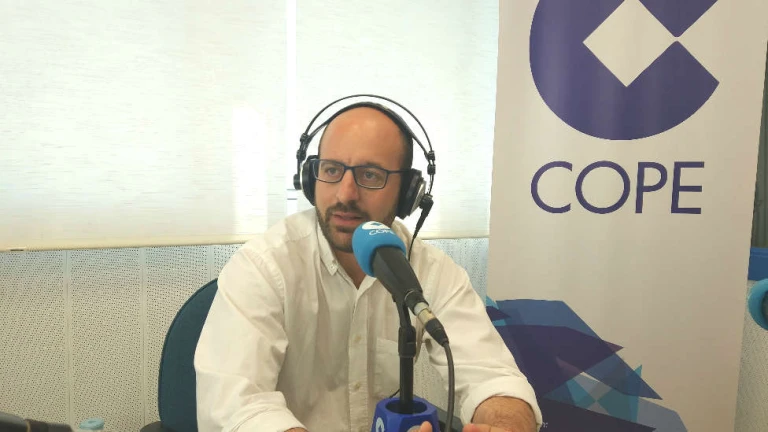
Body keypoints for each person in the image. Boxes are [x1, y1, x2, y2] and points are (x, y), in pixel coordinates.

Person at [194, 99, 542, 432]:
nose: (345, 194)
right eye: (332, 170)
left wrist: (507, 423)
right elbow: (237, 406)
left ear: (408, 192)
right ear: (311, 179)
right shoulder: (263, 267)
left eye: (370, 175)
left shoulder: (431, 270)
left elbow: (492, 376)